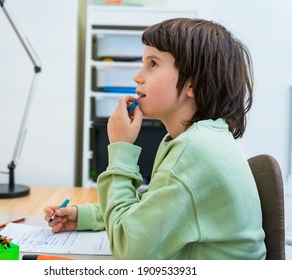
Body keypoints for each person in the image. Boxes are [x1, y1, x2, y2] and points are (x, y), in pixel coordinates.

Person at [44, 17, 266, 260]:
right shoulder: (195, 139)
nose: (137, 77)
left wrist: (120, 147)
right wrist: (85, 216)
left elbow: (129, 249)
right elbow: (152, 211)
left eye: (153, 64)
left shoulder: (195, 150)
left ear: (192, 83)